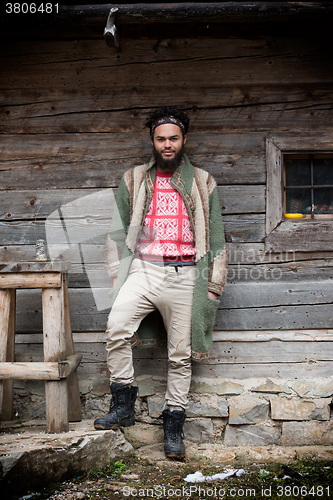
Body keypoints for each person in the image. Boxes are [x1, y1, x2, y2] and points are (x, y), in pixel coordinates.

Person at [94, 107, 228, 459]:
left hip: (186, 276)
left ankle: (173, 429)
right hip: (143, 270)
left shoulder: (203, 181)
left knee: (180, 356)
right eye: (160, 139)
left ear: (184, 140)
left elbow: (217, 237)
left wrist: (213, 285)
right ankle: (123, 403)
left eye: (173, 138)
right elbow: (116, 231)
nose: (167, 145)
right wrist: (116, 274)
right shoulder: (135, 179)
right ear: (152, 141)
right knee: (116, 327)